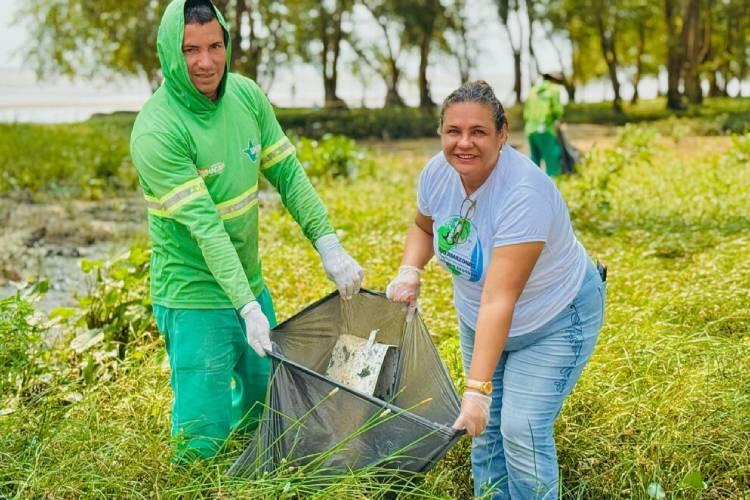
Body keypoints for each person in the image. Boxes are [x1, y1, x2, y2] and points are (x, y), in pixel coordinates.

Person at [130, 0, 364, 462]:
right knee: (203, 436)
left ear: (227, 44)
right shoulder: (156, 130)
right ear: (170, 54)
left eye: (215, 46)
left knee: (268, 412)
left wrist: (329, 244)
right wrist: (245, 305)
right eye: (190, 50)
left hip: (250, 288)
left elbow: (289, 175)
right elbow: (207, 229)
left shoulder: (246, 96)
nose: (205, 62)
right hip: (195, 297)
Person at [386, 80, 606, 499]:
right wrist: (410, 269)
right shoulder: (438, 172)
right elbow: (422, 226)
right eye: (453, 131)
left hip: (555, 318)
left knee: (520, 427)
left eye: (479, 132)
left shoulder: (524, 194)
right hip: (479, 317)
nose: (463, 143)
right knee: (483, 431)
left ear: (503, 134)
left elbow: (500, 297)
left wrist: (476, 388)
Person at [523, 72, 565, 176]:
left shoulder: (532, 91)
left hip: (530, 129)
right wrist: (558, 120)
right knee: (552, 158)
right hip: (545, 128)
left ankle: (533, 188)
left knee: (534, 160)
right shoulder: (554, 89)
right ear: (555, 80)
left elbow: (526, 113)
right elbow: (557, 109)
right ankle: (555, 187)